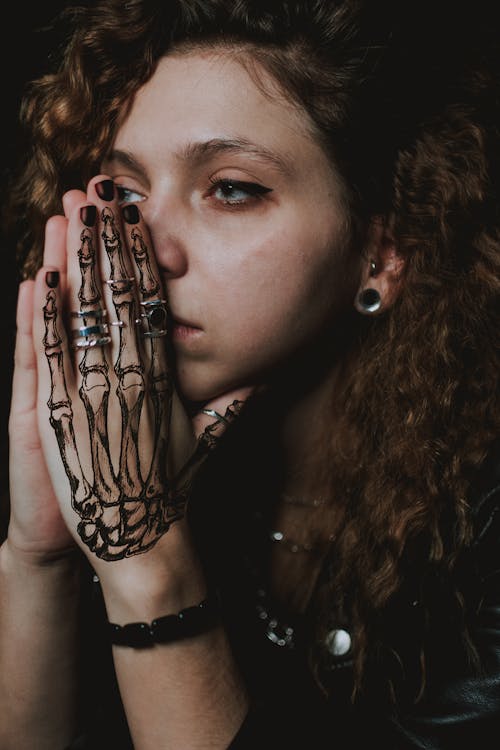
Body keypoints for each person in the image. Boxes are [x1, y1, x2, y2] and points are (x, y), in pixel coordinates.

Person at [1, 0, 499, 747]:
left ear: (382, 254)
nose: (151, 250)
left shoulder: (481, 529)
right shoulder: (161, 455)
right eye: (124, 193)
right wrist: (41, 555)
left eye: (231, 188)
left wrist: (144, 554)